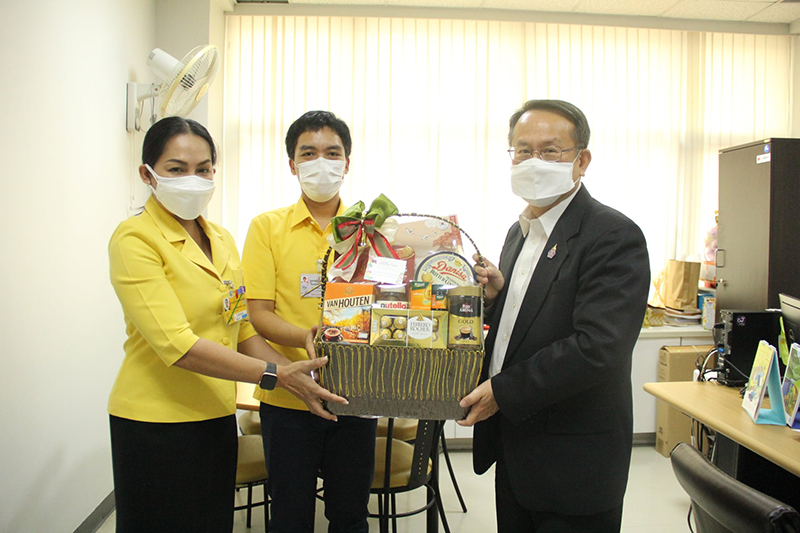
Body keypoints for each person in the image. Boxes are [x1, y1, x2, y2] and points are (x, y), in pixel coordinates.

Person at [107, 116, 345, 532]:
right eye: (176, 169)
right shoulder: (135, 239)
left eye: (203, 169)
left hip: (215, 414)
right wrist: (277, 375)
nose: (193, 179)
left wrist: (290, 375)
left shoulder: (219, 239)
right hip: (155, 422)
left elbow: (242, 327)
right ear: (148, 174)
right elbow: (176, 344)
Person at [458, 99, 650, 532]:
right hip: (516, 447)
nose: (533, 161)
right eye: (523, 151)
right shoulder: (519, 231)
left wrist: (501, 392)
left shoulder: (612, 235)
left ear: (581, 161)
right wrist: (496, 298)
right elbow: (533, 318)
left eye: (550, 151)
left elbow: (598, 347)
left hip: (574, 464)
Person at [241, 110, 377, 533]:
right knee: (290, 515)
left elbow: (396, 305)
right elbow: (258, 314)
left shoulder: (373, 229)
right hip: (288, 396)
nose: (322, 162)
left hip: (357, 394)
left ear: (347, 163)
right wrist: (305, 337)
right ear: (292, 164)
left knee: (351, 514)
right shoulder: (267, 228)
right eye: (309, 153)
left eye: (332, 153)